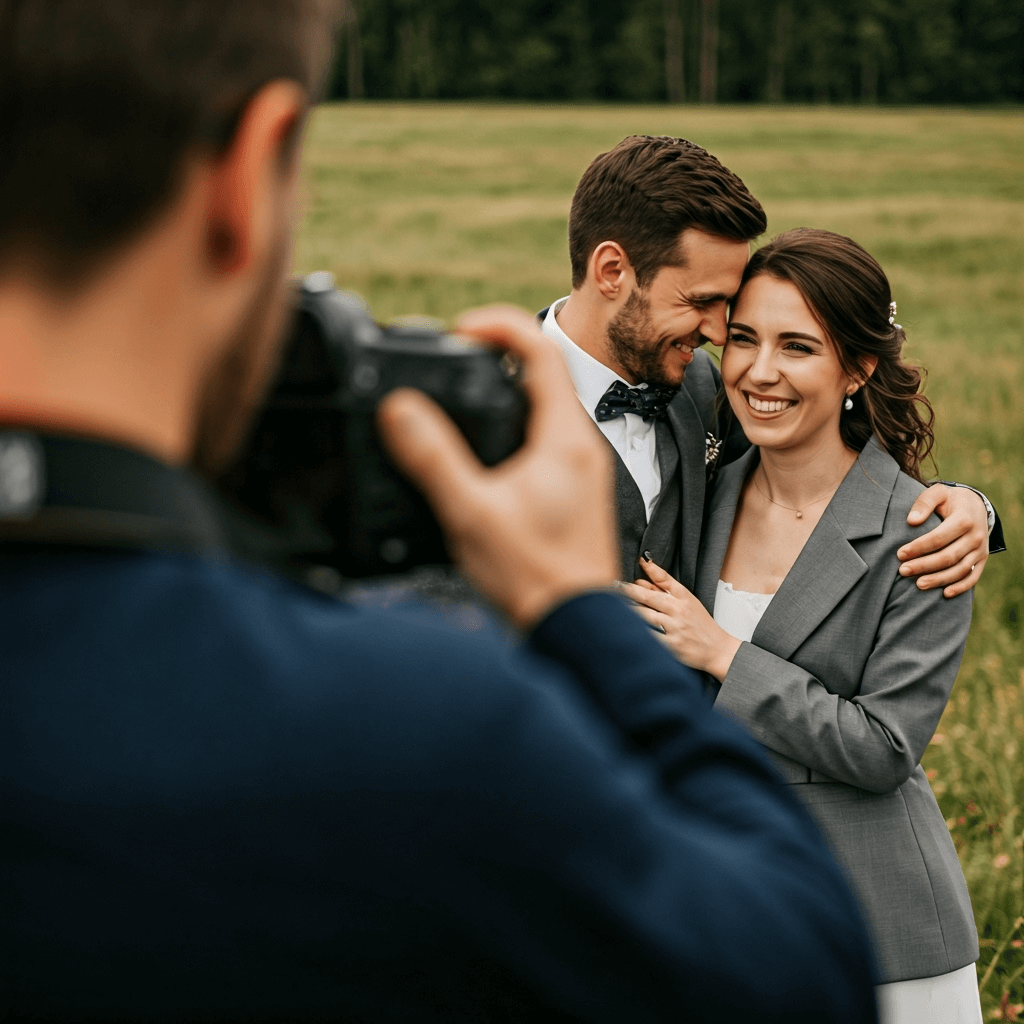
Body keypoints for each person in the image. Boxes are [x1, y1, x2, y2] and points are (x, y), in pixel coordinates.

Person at [0, 3, 879, 1021]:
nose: (730, 344)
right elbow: (793, 968)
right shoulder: (414, 726)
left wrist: (952, 507)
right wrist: (571, 602)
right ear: (251, 174)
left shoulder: (696, 394)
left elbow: (805, 466)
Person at [623, 229, 983, 1023]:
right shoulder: (706, 490)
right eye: (744, 339)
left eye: (798, 347)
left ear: (856, 368)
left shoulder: (924, 533)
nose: (760, 372)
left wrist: (725, 656)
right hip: (727, 917)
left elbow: (885, 747)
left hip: (882, 936)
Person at [539, 134, 1003, 590]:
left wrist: (969, 507)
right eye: (700, 300)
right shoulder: (478, 408)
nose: (719, 335)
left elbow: (818, 466)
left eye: (726, 305)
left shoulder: (701, 384)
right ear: (612, 272)